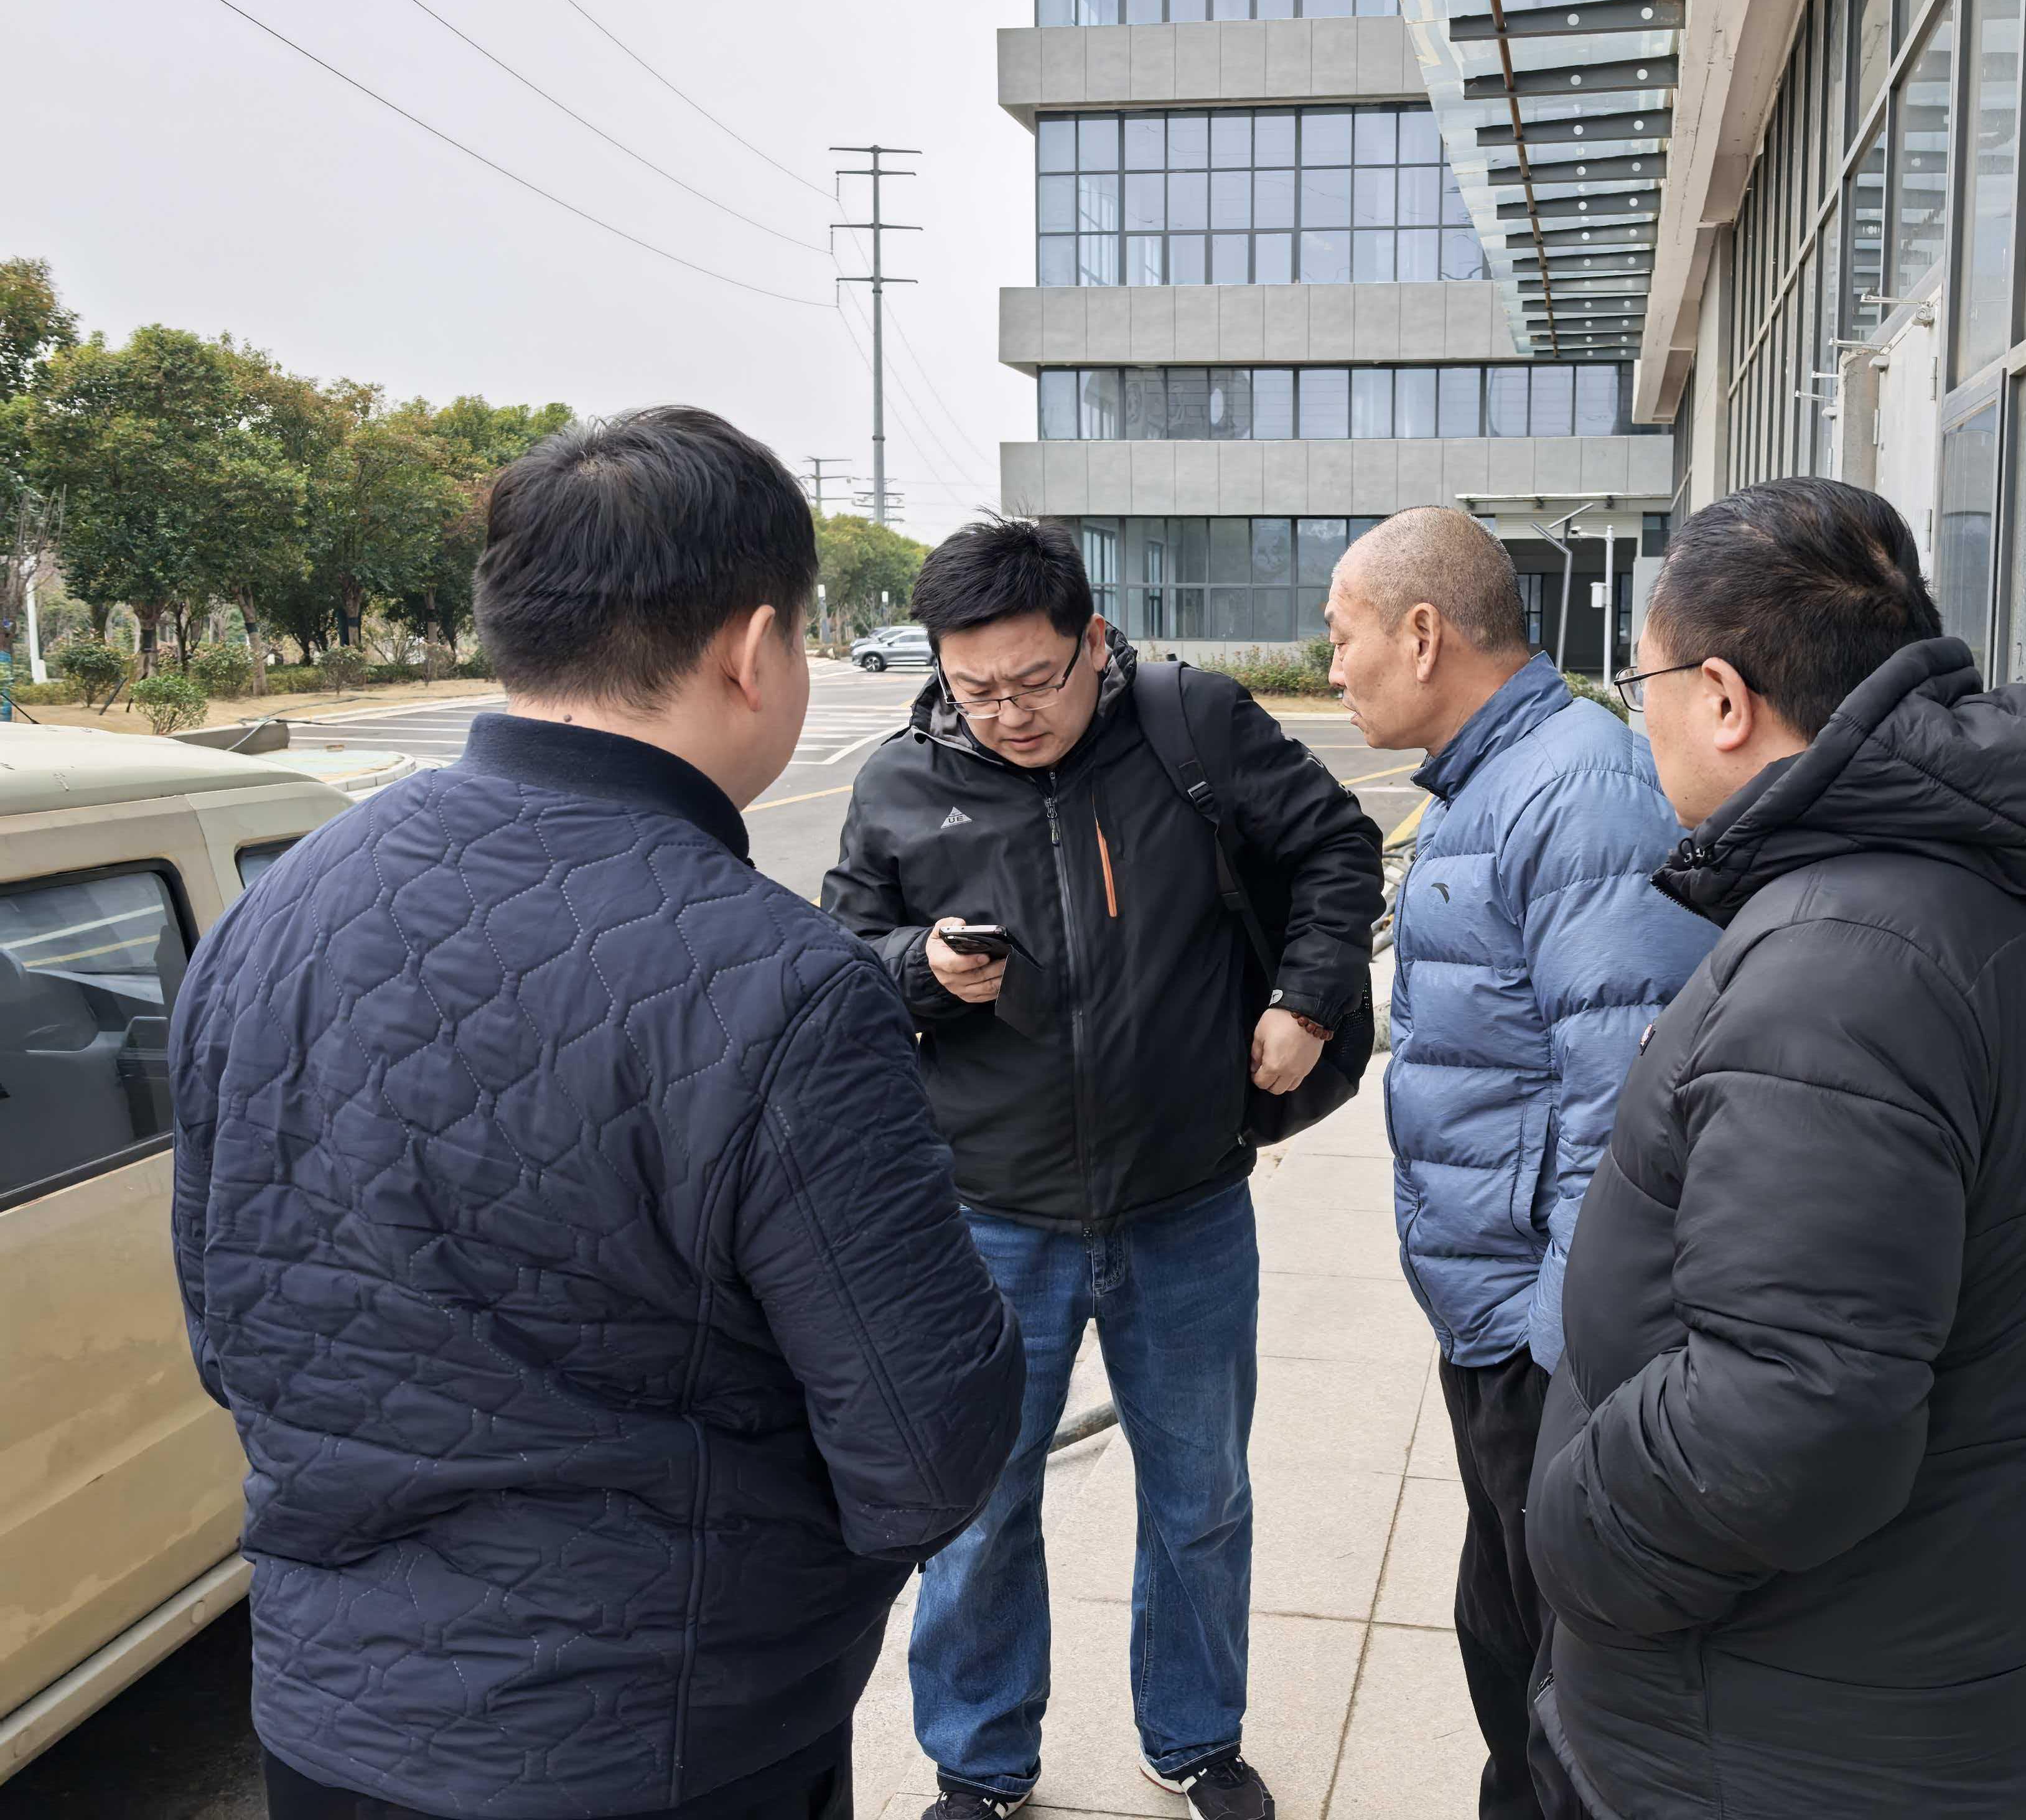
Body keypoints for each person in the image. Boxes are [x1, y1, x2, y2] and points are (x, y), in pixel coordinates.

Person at [169, 408, 1025, 1820]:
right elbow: (926, 1453)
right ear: (755, 650)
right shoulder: (784, 989)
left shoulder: (277, 911)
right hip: (666, 1733)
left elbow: (228, 1330)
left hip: (333, 1720)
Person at [1524, 477, 2026, 1818]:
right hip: (1918, 1692)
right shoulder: (1981, 885)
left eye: (1643, 682)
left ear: (1722, 697)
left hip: (1782, 1739)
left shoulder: (1843, 960)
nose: (1640, 718)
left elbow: (1793, 1415)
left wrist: (1572, 1530)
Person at [822, 518, 1384, 1820]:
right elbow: (841, 958)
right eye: (977, 689)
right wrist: (920, 969)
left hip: (1185, 1203)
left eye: (1035, 679)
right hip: (985, 1218)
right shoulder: (899, 781)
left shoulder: (1193, 725)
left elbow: (1336, 847)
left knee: (1200, 1497)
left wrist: (1306, 999)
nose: (1010, 713)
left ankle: (1194, 1738)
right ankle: (978, 1762)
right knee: (977, 1509)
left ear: (1095, 641)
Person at [1323, 508, 1713, 1820]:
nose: (1332, 668)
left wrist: (1563, 1368)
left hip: (1544, 1352)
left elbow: (1624, 1119)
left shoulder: (1576, 791)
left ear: (1423, 633)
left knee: (1559, 1690)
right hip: (1494, 1328)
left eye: (1343, 636)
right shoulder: (1494, 779)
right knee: (1505, 1644)